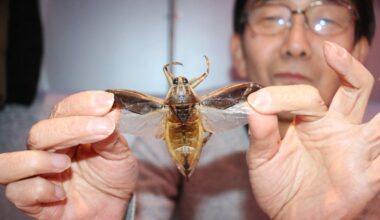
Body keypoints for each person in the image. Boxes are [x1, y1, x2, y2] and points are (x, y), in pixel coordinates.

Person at [2, 0, 380, 220]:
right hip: (178, 143)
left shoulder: (371, 166)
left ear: (360, 51)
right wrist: (112, 215)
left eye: (326, 18)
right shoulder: (142, 156)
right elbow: (141, 198)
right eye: (273, 17)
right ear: (237, 52)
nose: (296, 43)